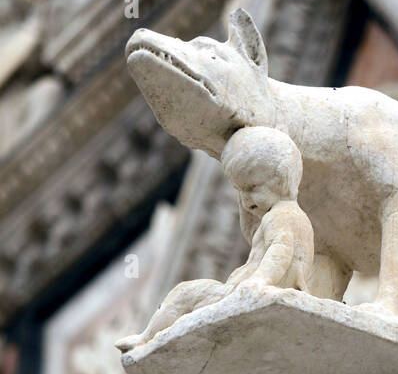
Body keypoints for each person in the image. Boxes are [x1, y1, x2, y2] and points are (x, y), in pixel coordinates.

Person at [117, 127, 314, 352]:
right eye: (241, 193)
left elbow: (281, 251)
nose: (248, 202)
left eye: (251, 189)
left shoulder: (279, 218)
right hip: (245, 288)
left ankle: (150, 339)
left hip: (246, 291)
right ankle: (149, 338)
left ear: (279, 178)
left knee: (186, 299)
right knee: (188, 297)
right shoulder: (292, 217)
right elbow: (255, 236)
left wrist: (260, 281)